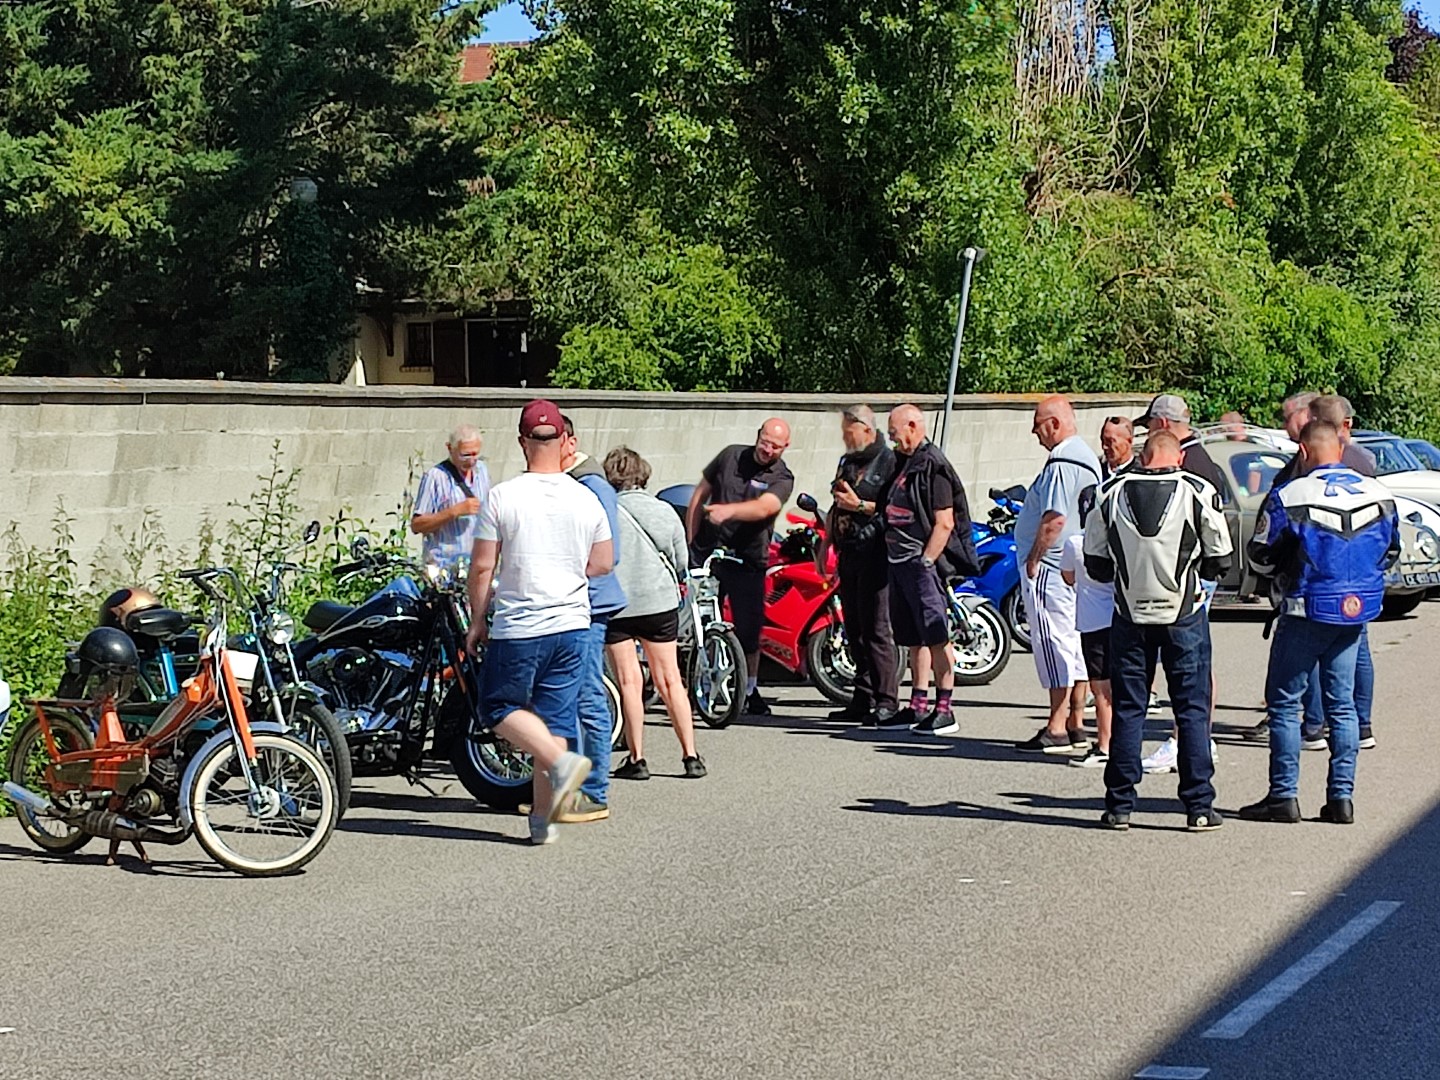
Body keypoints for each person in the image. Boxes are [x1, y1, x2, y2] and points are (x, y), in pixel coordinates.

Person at [1240, 419, 1398, 826]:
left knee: (1285, 704)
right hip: (1356, 610)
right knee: (1342, 705)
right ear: (1340, 449)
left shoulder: (1290, 494)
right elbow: (1391, 551)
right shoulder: (1379, 493)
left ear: (1304, 451)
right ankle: (1341, 798)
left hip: (1305, 608)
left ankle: (1283, 796)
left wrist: (1280, 575)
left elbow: (1260, 554)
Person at [466, 400, 608, 846]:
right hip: (573, 624)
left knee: (497, 709)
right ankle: (543, 822)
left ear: (522, 441)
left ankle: (563, 766)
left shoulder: (503, 496)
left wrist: (477, 620)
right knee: (556, 720)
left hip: (521, 624)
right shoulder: (586, 497)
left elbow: (482, 567)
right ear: (564, 441)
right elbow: (603, 562)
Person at [1084, 430, 1233, 831]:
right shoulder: (1197, 490)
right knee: (1192, 709)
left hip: (1129, 615)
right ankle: (1199, 807)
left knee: (1129, 709)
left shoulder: (1109, 492)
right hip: (1184, 614)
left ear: (1142, 456)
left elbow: (1096, 563)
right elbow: (1221, 558)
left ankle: (1119, 806)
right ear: (1178, 458)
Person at [602, 446, 706, 780]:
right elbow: (681, 560)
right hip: (659, 604)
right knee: (670, 679)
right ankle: (691, 756)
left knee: (629, 681)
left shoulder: (604, 510)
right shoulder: (664, 510)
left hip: (618, 604)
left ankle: (637, 758)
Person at [1134, 393, 1223, 775]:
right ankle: (1194, 737)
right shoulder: (1202, 460)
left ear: (1164, 424)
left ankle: (1186, 739)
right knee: (1193, 662)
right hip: (1191, 576)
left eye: (1151, 426)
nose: (1148, 436)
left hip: (1184, 579)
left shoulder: (1191, 466)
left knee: (1189, 664)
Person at [1013, 395, 1103, 754]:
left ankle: (1056, 725)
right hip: (1075, 564)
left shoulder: (1062, 462)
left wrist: (1033, 558)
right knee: (1074, 643)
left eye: (1038, 425)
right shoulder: (1087, 458)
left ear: (1054, 423)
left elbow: (1055, 519)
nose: (1034, 433)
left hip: (1052, 567)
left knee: (1053, 644)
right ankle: (1075, 721)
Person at [686, 420, 796, 716]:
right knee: (701, 623)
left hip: (748, 558)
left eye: (775, 446)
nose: (768, 449)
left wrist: (729, 511)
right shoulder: (730, 455)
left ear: (785, 447)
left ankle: (748, 690)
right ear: (758, 436)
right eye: (765, 442)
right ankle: (699, 683)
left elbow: (766, 507)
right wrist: (691, 542)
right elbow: (699, 495)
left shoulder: (782, 476)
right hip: (709, 552)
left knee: (749, 630)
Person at [880, 404, 976, 735]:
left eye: (894, 433)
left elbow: (944, 522)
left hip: (921, 565)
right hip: (899, 563)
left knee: (936, 635)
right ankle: (917, 705)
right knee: (913, 637)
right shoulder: (904, 462)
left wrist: (926, 561)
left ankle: (945, 709)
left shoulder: (933, 466)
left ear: (912, 426)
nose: (892, 440)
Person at [558, 416, 628, 823]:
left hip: (589, 605)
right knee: (566, 697)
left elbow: (608, 554)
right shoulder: (569, 482)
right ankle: (568, 792)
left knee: (587, 696)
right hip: (572, 604)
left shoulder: (592, 486)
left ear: (571, 442)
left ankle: (594, 791)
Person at [822, 405, 899, 725]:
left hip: (876, 553)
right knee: (854, 628)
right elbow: (837, 504)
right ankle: (863, 696)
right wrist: (825, 544)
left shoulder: (889, 461)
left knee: (876, 629)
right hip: (849, 551)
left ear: (866, 429)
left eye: (848, 431)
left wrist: (861, 505)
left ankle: (887, 700)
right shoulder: (848, 461)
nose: (844, 437)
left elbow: (895, 509)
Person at [1061, 485, 1112, 769]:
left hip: (1093, 621)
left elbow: (1068, 577)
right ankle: (1120, 743)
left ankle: (1105, 745)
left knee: (1101, 688)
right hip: (1122, 618)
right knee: (1123, 685)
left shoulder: (1075, 543)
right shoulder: (1120, 541)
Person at [410, 424, 490, 570]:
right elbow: (417, 525)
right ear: (450, 448)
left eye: (475, 454)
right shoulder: (435, 477)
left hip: (474, 564)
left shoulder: (481, 470)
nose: (471, 461)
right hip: (444, 566)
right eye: (465, 455)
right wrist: (454, 512)